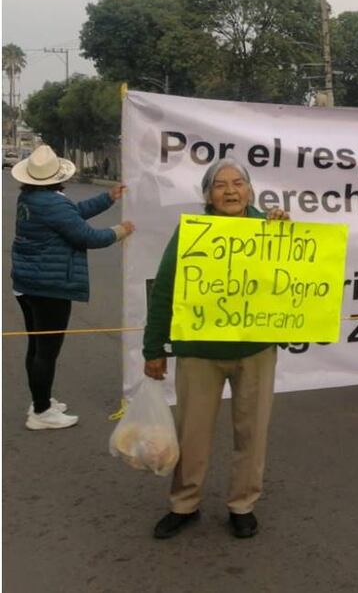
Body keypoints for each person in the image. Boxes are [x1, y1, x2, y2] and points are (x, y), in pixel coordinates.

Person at [143, 158, 289, 540]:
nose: (230, 191)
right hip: (199, 352)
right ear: (207, 194)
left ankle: (243, 505)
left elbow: (292, 281)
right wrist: (152, 347)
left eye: (237, 183)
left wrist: (286, 236)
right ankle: (184, 504)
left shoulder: (271, 227)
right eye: (220, 184)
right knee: (191, 433)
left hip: (255, 350)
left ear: (250, 189)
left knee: (252, 432)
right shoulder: (192, 232)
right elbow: (165, 289)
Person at [10, 144, 134, 430]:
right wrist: (121, 230)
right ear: (58, 177)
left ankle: (40, 402)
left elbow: (73, 213)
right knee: (47, 351)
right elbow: (87, 236)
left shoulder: (31, 199)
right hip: (49, 287)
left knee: (37, 346)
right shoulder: (52, 203)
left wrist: (107, 198)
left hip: (28, 283)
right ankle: (41, 412)